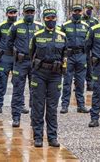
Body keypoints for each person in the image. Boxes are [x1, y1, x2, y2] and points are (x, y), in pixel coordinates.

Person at [29, 8, 67, 148]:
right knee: (38, 106)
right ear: (44, 19)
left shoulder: (62, 35)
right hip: (39, 73)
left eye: (53, 18)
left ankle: (52, 137)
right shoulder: (37, 35)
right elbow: (31, 53)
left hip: (55, 75)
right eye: (48, 18)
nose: (51, 20)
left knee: (52, 107)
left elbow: (65, 55)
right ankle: (38, 137)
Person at [7, 4, 42, 127]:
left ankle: (35, 117)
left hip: (34, 63)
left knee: (36, 91)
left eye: (32, 12)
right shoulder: (15, 26)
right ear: (23, 13)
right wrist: (16, 54)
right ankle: (16, 117)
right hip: (20, 63)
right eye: (27, 12)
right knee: (17, 90)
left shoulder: (39, 26)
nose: (30, 14)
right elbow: (8, 43)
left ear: (35, 13)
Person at [60, 4, 90, 114]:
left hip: (81, 55)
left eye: (79, 11)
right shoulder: (65, 25)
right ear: (71, 12)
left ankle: (81, 105)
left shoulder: (86, 26)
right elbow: (61, 42)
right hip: (69, 56)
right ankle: (64, 105)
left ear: (82, 12)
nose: (77, 13)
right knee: (67, 81)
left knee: (80, 82)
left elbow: (89, 42)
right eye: (75, 11)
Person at [0, 6, 19, 115]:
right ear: (6, 14)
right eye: (10, 13)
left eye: (14, 13)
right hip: (5, 58)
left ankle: (19, 105)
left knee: (18, 83)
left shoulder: (20, 26)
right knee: (1, 82)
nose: (12, 15)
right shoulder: (1, 26)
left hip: (17, 58)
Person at [83, 3, 98, 91]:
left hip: (91, 46)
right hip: (81, 47)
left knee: (89, 66)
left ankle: (90, 84)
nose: (89, 10)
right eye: (87, 8)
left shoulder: (94, 21)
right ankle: (78, 84)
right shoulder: (80, 19)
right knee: (80, 66)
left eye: (90, 9)